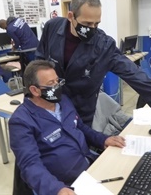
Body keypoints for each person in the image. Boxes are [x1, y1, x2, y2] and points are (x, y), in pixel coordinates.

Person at [35, 0, 151, 127]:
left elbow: (132, 72)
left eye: (96, 24)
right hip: (49, 101)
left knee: (76, 148)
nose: (92, 29)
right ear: (71, 16)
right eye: (87, 24)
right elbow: (40, 59)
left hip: (81, 108)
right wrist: (34, 91)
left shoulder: (103, 44)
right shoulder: (53, 27)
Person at [9, 60, 126, 195]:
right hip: (64, 184)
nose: (57, 87)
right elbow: (30, 165)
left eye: (57, 81)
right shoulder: (21, 121)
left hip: (89, 166)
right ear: (34, 90)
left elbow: (80, 127)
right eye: (50, 84)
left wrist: (103, 140)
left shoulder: (63, 101)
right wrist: (56, 189)